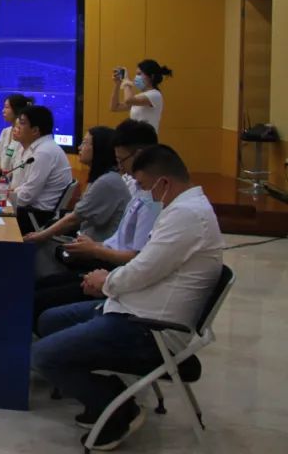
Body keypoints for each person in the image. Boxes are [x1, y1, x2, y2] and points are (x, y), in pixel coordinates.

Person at [31, 145, 224, 451]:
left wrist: (105, 282)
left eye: (145, 186)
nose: (144, 194)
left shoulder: (187, 216)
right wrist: (107, 283)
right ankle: (100, 394)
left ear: (163, 183)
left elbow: (143, 269)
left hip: (148, 328)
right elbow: (145, 265)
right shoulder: (182, 209)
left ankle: (118, 407)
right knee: (50, 320)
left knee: (42, 356)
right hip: (129, 306)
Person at [33, 120, 159, 323]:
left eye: (85, 143)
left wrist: (95, 252)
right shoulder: (136, 190)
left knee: (40, 301)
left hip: (109, 271)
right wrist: (95, 248)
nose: (122, 168)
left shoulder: (148, 199)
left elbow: (135, 258)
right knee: (38, 290)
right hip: (103, 262)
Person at [24, 126, 131, 277]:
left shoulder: (107, 182)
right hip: (88, 246)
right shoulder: (103, 178)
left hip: (98, 257)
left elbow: (74, 219)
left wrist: (41, 236)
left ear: (99, 149)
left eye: (85, 143)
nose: (80, 147)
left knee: (38, 250)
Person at [9, 105, 73, 234]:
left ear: (35, 130)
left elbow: (26, 197)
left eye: (22, 123)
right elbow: (21, 185)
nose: (17, 127)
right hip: (29, 210)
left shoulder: (44, 152)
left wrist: (3, 196)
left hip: (36, 216)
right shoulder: (32, 148)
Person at [111, 59, 172, 133]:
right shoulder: (139, 96)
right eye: (136, 74)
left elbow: (128, 100)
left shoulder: (155, 95)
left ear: (151, 76)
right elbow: (115, 107)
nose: (136, 77)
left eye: (139, 74)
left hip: (147, 139)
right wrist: (117, 84)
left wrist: (126, 81)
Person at [0, 94, 31, 183]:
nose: (3, 111)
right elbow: (0, 161)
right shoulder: (5, 132)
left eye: (7, 107)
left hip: (17, 182)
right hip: (4, 181)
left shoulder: (25, 136)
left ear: (17, 110)